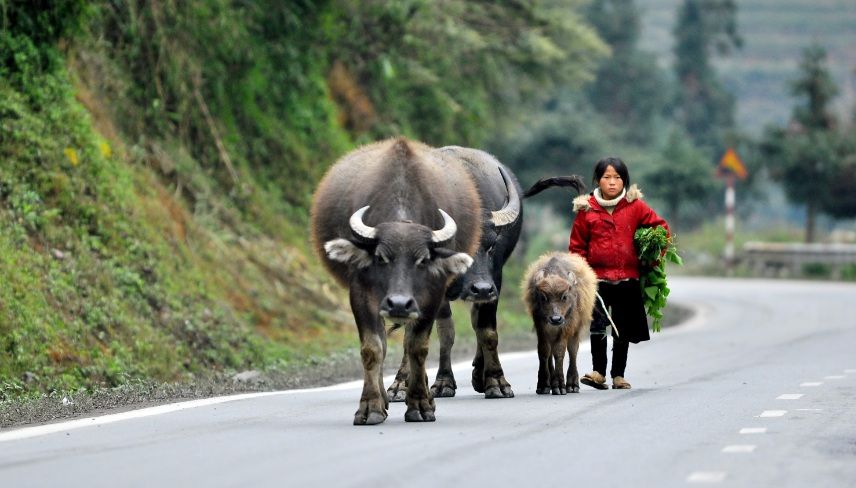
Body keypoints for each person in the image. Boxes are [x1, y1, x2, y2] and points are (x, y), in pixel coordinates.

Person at [569, 156, 669, 390]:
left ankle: (618, 375)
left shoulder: (635, 207)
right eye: (607, 178)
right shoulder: (587, 210)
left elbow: (660, 229)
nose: (612, 183)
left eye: (618, 178)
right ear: (598, 180)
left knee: (621, 329)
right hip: (597, 280)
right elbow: (576, 246)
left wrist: (651, 258)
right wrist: (580, 273)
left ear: (625, 181)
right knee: (598, 326)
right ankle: (598, 372)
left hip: (627, 279)